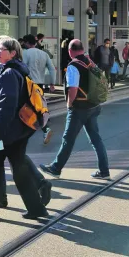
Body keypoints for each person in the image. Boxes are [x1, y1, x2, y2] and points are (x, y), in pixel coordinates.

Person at [0, 36, 50, 221]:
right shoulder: (18, 71)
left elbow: (5, 106)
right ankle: (36, 208)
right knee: (19, 169)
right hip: (18, 130)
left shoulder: (9, 73)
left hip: (6, 131)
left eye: (1, 49)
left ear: (13, 53)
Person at [41, 39, 111, 179]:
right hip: (93, 105)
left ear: (70, 51)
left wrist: (69, 104)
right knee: (95, 138)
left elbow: (73, 88)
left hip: (79, 107)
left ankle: (56, 168)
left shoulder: (73, 66)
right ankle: (104, 171)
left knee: (68, 139)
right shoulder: (89, 61)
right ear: (83, 49)